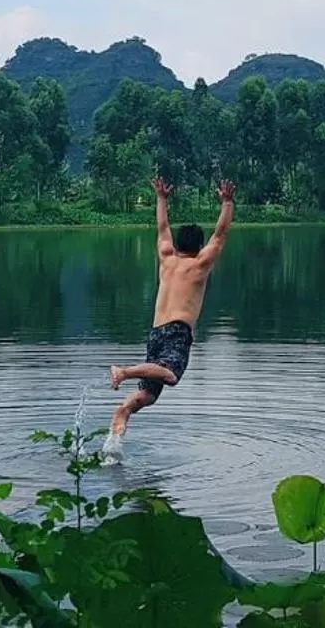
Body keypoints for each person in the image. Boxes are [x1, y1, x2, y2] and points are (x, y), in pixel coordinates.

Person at [103, 175, 234, 457]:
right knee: (172, 375)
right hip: (176, 331)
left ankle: (123, 413)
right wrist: (226, 203)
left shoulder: (166, 258)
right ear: (199, 246)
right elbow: (221, 236)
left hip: (156, 331)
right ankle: (123, 371)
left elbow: (162, 228)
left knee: (147, 396)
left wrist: (161, 198)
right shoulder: (200, 265)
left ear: (179, 244)